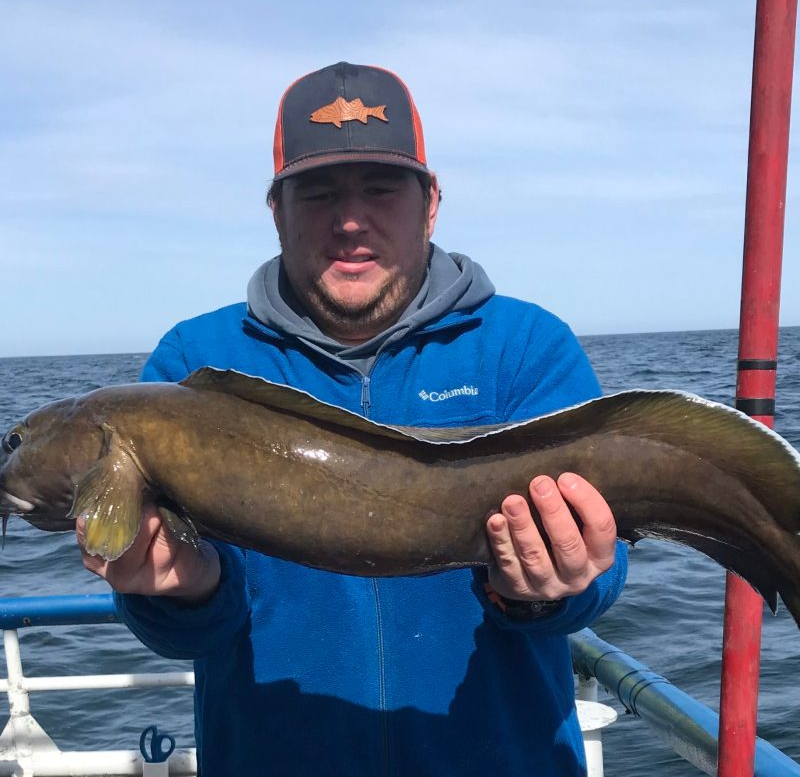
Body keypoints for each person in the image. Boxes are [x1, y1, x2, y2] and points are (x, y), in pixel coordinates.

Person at [78, 61, 627, 776]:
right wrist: (181, 589)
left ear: (430, 202)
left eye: (380, 188)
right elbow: (183, 627)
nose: (349, 221)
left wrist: (549, 588)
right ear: (276, 209)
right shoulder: (192, 362)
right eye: (318, 192)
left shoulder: (525, 348)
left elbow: (603, 573)